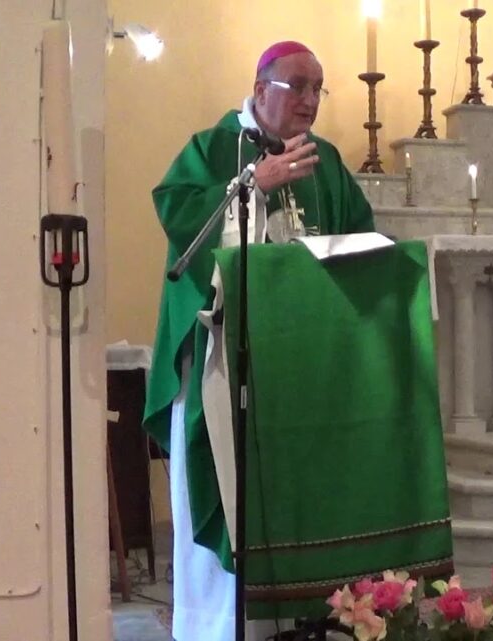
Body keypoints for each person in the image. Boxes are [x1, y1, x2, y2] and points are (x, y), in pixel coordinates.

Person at [142, 41, 375, 641]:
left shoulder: (324, 160)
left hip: (296, 363)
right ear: (260, 84)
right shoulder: (214, 147)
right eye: (297, 85)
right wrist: (256, 185)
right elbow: (182, 225)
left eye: (318, 88)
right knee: (222, 487)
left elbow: (359, 238)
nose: (309, 100)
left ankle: (294, 621)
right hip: (221, 358)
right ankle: (217, 628)